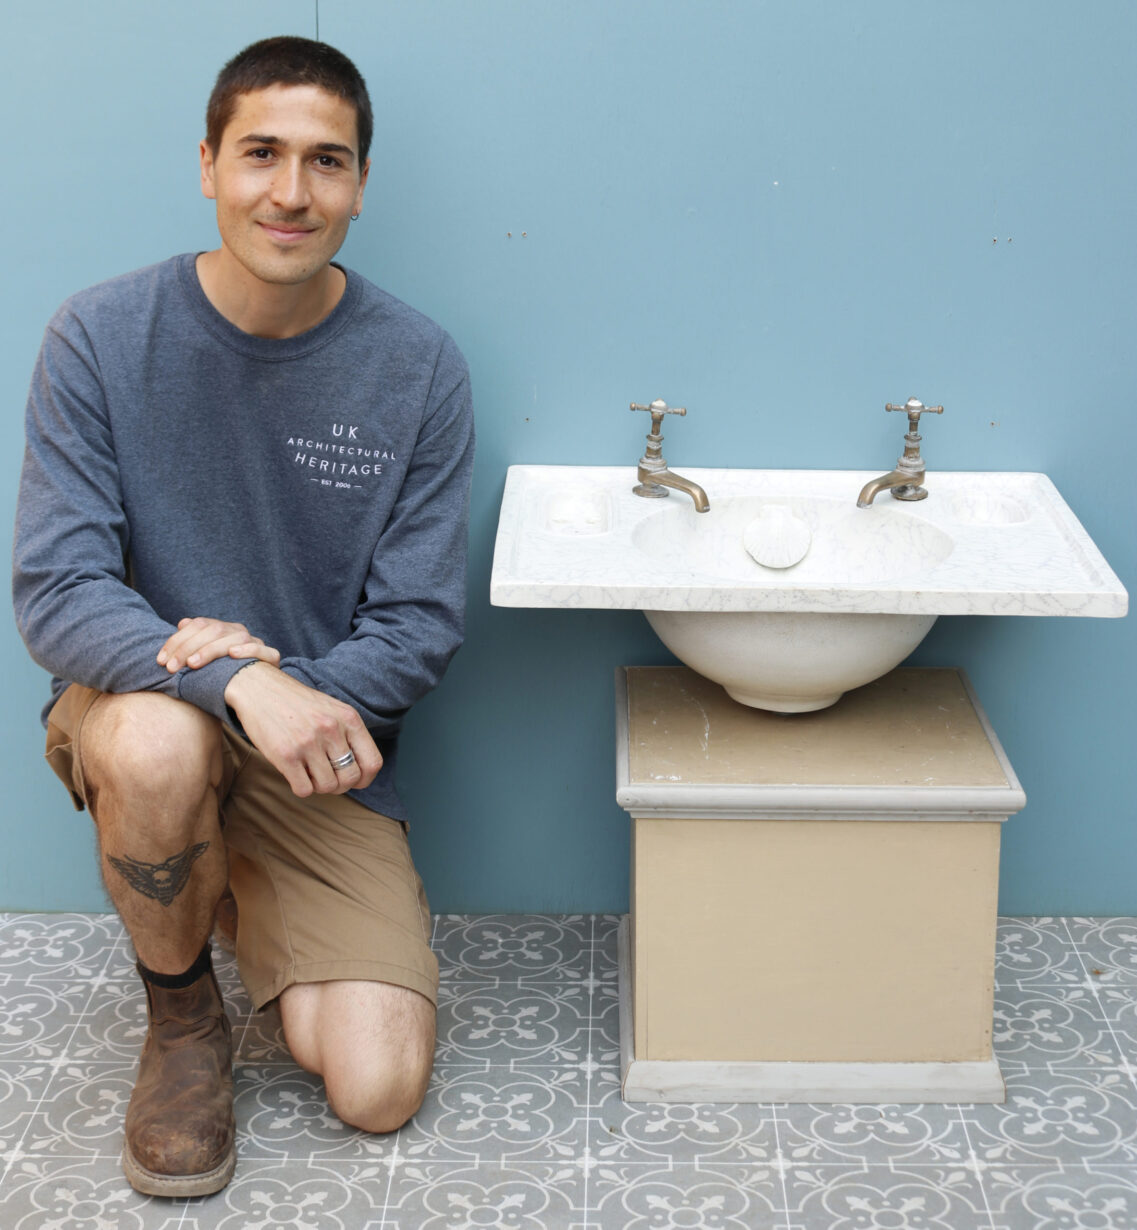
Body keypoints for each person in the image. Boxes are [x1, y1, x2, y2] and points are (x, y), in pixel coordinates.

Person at [12, 36, 474, 1198]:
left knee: (378, 1087)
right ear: (209, 164)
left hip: (318, 750)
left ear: (360, 185)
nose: (291, 192)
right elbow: (59, 588)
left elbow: (417, 625)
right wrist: (236, 684)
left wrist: (287, 699)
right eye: (261, 153)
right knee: (156, 746)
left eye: (327, 161)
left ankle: (225, 881)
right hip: (151, 709)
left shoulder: (418, 365)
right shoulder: (98, 336)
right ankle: (182, 1023)